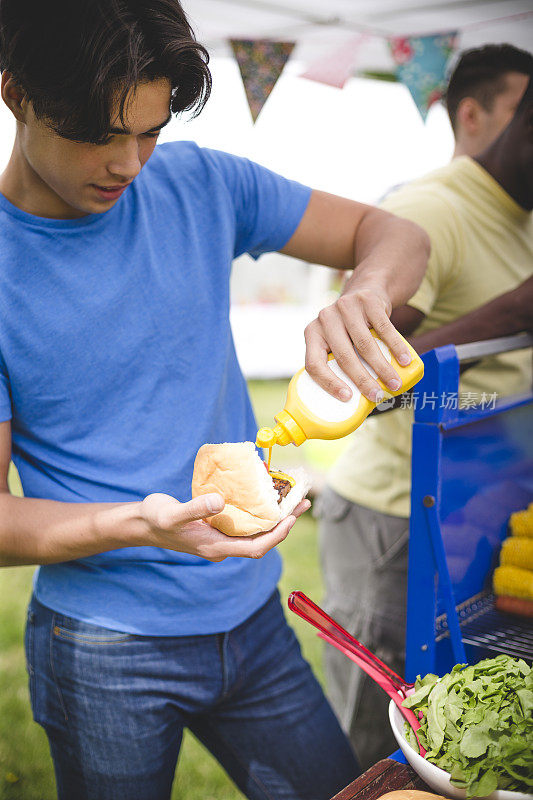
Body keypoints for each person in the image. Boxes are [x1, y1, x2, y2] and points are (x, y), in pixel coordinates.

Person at [0, 1, 430, 798]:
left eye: (150, 130)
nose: (130, 163)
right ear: (16, 93)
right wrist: (141, 525)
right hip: (101, 649)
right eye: (100, 132)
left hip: (256, 622)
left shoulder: (199, 181)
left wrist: (361, 296)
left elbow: (397, 235)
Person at [318, 63, 533, 769]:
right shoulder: (436, 210)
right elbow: (361, 381)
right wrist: (513, 312)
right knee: (374, 747)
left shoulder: (517, 212)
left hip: (463, 515)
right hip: (390, 523)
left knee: (442, 737)